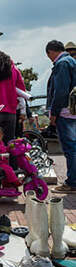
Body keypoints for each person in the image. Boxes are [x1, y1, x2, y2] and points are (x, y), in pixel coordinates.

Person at [45, 40, 76, 194]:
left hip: (66, 112)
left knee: (70, 148)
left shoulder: (62, 64)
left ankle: (72, 182)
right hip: (73, 110)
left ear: (51, 52)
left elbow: (61, 91)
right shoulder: (72, 61)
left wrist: (54, 113)